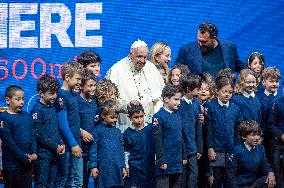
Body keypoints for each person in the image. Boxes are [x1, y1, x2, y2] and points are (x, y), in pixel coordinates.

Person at [105, 39, 165, 132]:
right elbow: (108, 102)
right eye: (139, 57)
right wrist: (126, 105)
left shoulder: (151, 68)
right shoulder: (116, 70)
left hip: (150, 124)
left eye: (145, 57)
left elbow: (161, 96)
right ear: (130, 55)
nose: (143, 61)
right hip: (126, 125)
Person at [205, 73, 242, 188]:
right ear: (217, 91)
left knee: (230, 180)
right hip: (217, 150)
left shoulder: (235, 108)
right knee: (217, 179)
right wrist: (210, 148)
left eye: (230, 92)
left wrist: (237, 148)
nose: (227, 94)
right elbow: (209, 129)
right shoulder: (211, 107)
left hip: (231, 150)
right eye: (224, 91)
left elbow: (237, 130)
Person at [30, 75, 65, 187]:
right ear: (41, 93)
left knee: (52, 184)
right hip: (42, 155)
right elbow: (37, 134)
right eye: (51, 93)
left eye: (56, 93)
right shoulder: (37, 110)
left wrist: (61, 143)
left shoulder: (52, 108)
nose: (54, 96)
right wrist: (55, 146)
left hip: (54, 154)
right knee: (41, 184)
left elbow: (55, 130)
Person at [175, 22, 244, 77]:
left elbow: (239, 66)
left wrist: (252, 66)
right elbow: (176, 70)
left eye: (204, 41)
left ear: (214, 38)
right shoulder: (186, 50)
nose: (200, 44)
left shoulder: (229, 48)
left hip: (223, 92)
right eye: (199, 40)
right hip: (199, 93)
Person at [0, 85, 37, 188]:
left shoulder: (27, 116)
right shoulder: (3, 118)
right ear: (8, 100)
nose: (22, 102)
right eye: (18, 99)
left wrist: (34, 153)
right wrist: (24, 158)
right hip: (11, 166)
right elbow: (9, 142)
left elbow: (33, 135)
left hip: (27, 165)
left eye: (23, 99)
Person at [55, 62, 84, 187]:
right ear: (67, 77)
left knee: (75, 180)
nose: (79, 82)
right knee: (65, 178)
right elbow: (62, 123)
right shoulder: (61, 95)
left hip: (76, 142)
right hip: (67, 145)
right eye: (77, 79)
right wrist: (73, 144)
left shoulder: (73, 94)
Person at [152, 84, 186, 188]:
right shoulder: (158, 117)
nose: (179, 102)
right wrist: (161, 160)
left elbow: (181, 137)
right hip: (165, 161)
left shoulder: (178, 115)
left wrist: (184, 155)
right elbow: (157, 140)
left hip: (177, 160)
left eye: (179, 99)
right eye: (176, 99)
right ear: (166, 99)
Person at [89, 100, 127, 188]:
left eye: (116, 117)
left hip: (117, 167)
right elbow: (93, 149)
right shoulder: (97, 130)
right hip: (103, 167)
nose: (115, 120)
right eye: (112, 117)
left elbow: (121, 150)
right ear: (103, 115)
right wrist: (93, 166)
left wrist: (123, 166)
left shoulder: (118, 132)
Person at [227, 120, 276, 188]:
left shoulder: (261, 149)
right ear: (244, 136)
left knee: (269, 179)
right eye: (253, 135)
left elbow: (265, 165)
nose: (257, 138)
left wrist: (271, 173)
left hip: (253, 184)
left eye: (258, 135)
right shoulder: (236, 151)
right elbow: (231, 175)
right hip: (240, 185)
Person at [178, 74, 203, 188]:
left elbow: (198, 128)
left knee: (194, 174)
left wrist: (199, 149)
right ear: (188, 89)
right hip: (181, 148)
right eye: (197, 89)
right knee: (182, 176)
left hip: (193, 148)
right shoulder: (179, 105)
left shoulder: (196, 105)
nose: (200, 91)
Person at [123, 102, 155, 187]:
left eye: (141, 116)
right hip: (135, 168)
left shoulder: (150, 128)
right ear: (130, 118)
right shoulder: (127, 133)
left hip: (150, 166)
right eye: (136, 117)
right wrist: (127, 166)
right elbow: (126, 152)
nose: (139, 120)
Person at [76, 71, 98, 188]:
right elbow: (70, 122)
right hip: (81, 148)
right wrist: (81, 131)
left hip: (94, 148)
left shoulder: (96, 101)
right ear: (81, 86)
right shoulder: (76, 101)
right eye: (90, 86)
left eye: (94, 85)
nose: (93, 88)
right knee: (81, 181)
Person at [256, 67, 281, 154]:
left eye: (277, 81)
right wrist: (260, 136)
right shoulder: (257, 98)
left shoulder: (281, 98)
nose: (274, 84)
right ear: (263, 82)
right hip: (261, 138)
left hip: (277, 140)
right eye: (271, 81)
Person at [268, 82, 284, 188]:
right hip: (278, 143)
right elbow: (271, 125)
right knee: (277, 171)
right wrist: (281, 135)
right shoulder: (277, 103)